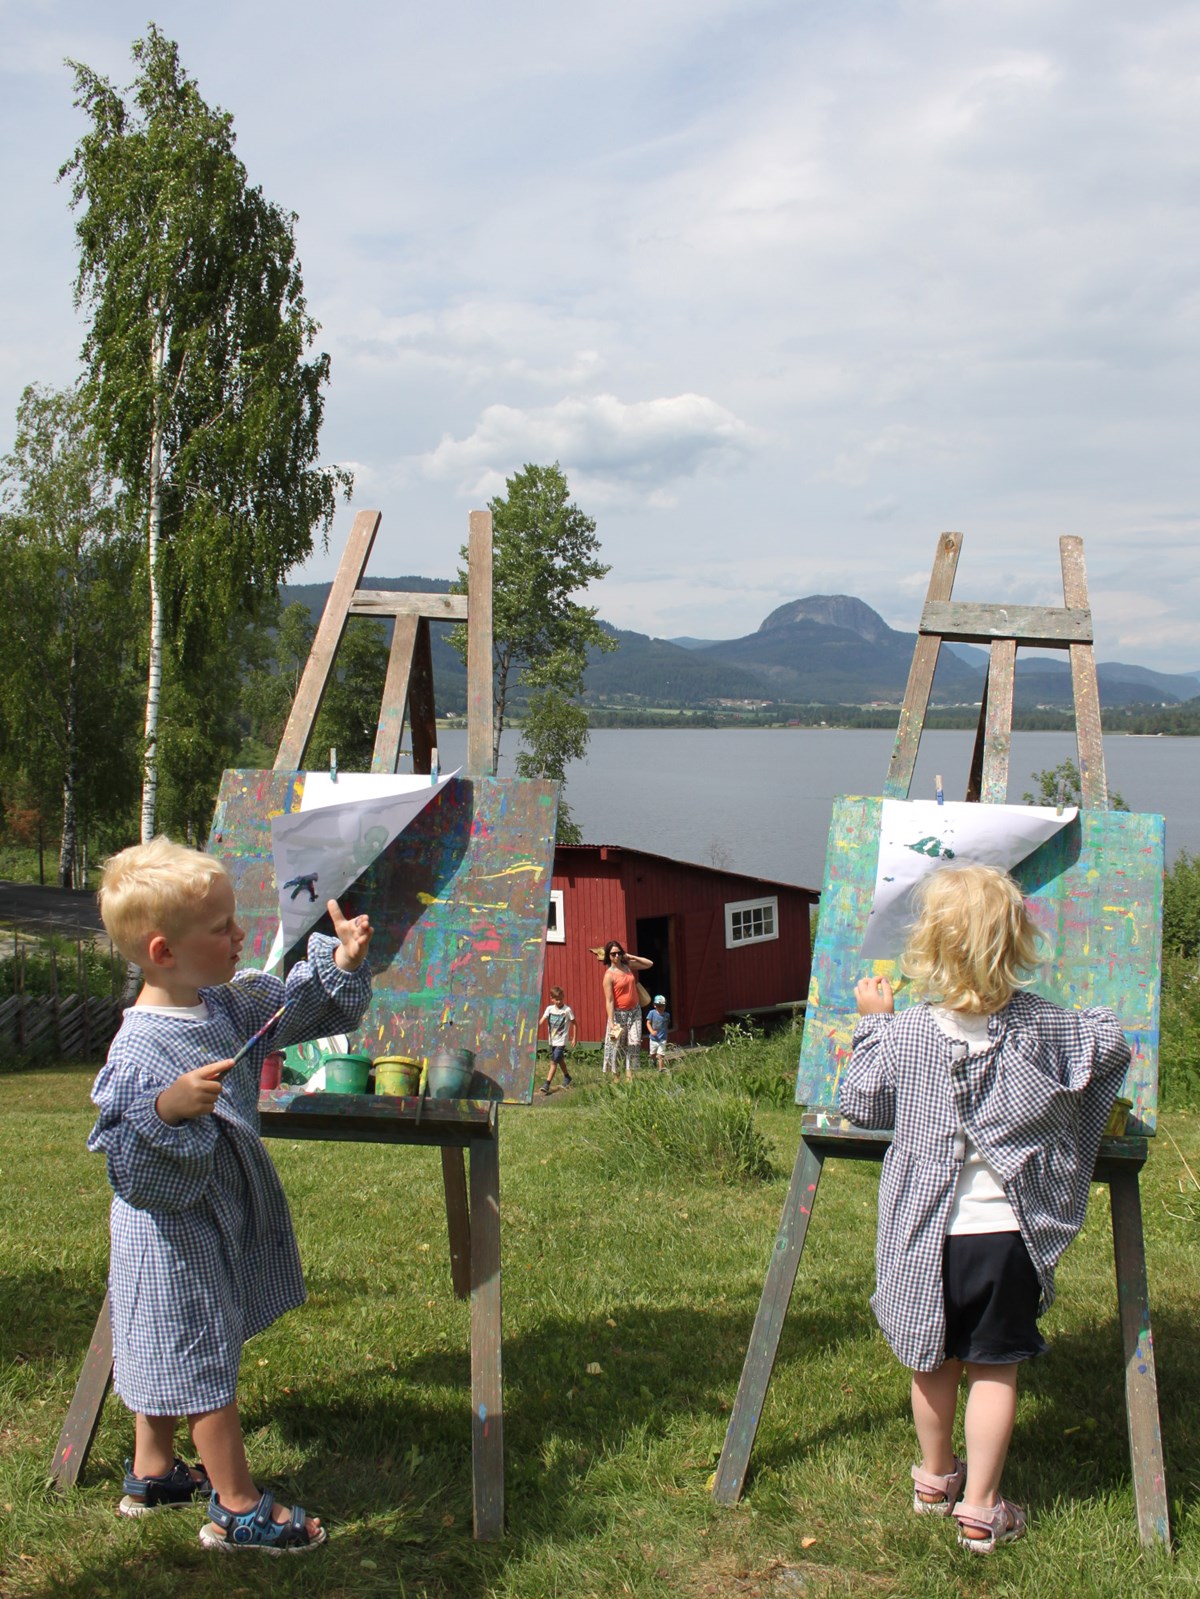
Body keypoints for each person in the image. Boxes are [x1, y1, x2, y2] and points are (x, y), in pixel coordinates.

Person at [88, 837, 373, 1554]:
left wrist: (339, 962)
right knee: (199, 1354)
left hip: (205, 1220)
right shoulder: (140, 1048)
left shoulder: (221, 1002)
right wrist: (167, 1109)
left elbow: (290, 1014)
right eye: (221, 928)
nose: (239, 935)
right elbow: (125, 1155)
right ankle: (238, 1504)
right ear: (163, 951)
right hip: (169, 1232)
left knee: (160, 1342)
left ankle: (153, 1472)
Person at [838, 863, 1129, 1555]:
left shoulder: (906, 1033)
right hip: (1008, 1238)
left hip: (927, 1238)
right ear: (1017, 941)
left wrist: (871, 1026)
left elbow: (860, 1102)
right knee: (995, 1366)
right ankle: (981, 1506)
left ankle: (935, 1477)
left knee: (932, 1361)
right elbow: (1109, 1043)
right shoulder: (1043, 1027)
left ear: (930, 946)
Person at [597, 939, 652, 1080]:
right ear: (608, 956)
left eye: (618, 953)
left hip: (634, 1012)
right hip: (619, 1014)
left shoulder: (627, 966)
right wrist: (611, 1022)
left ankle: (629, 1076)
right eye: (613, 954)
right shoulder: (609, 975)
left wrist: (632, 956)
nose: (616, 956)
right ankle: (616, 1078)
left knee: (634, 1043)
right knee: (618, 1047)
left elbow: (649, 964)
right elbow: (609, 1001)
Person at [538, 985, 577, 1094]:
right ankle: (567, 1077)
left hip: (561, 1041)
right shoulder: (549, 1009)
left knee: (553, 1062)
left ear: (563, 997)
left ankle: (547, 1084)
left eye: (560, 998)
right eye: (556, 999)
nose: (559, 1001)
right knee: (560, 1060)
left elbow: (575, 1024)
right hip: (552, 1041)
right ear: (552, 999)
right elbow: (541, 1021)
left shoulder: (567, 1010)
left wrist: (574, 1038)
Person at [646, 994, 671, 1070]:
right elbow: (648, 1023)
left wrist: (664, 1031)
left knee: (661, 1055)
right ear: (654, 1005)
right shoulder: (652, 1013)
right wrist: (652, 1031)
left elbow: (667, 1023)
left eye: (663, 1006)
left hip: (662, 1039)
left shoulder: (667, 1015)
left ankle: (661, 1069)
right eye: (659, 1006)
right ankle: (653, 1061)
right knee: (652, 1054)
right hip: (653, 1038)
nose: (661, 1008)